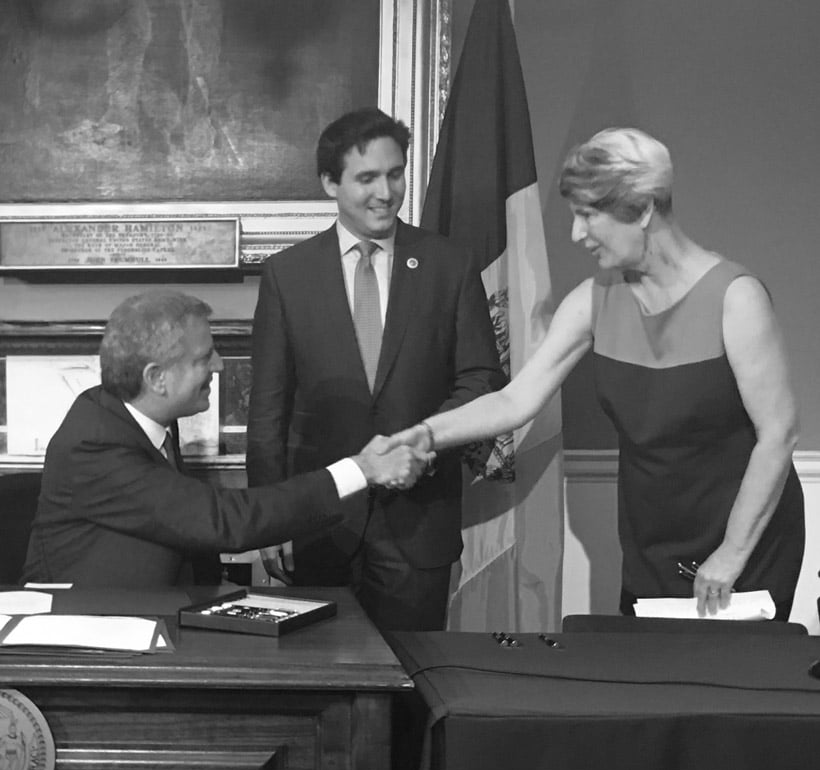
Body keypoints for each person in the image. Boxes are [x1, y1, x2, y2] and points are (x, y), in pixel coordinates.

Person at [387, 127, 805, 621]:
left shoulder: (735, 298)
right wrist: (423, 434)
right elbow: (513, 401)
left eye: (588, 214)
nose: (576, 234)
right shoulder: (592, 300)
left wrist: (732, 554)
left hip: (745, 540)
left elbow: (778, 434)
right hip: (651, 540)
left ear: (643, 208)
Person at [246, 107, 505, 631]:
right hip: (318, 525)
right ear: (329, 183)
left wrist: (421, 447)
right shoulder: (288, 275)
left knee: (415, 690)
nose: (385, 192)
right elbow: (269, 409)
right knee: (321, 688)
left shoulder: (449, 264)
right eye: (366, 178)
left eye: (396, 173)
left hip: (418, 525)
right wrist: (268, 520)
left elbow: (481, 380)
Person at [22, 290, 427, 588]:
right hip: (91, 649)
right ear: (156, 378)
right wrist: (362, 469)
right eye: (203, 359)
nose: (218, 366)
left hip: (156, 617)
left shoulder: (143, 415)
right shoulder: (95, 445)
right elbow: (226, 522)